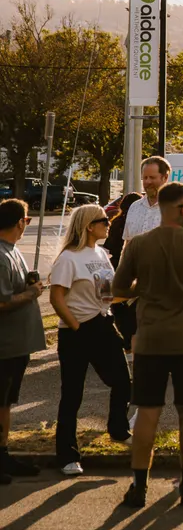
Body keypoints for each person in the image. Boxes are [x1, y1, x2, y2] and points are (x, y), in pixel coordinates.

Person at [111, 182, 183, 507]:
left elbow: (119, 287)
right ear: (181, 208)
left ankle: (139, 486)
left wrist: (143, 289)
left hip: (150, 339)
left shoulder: (138, 244)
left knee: (147, 412)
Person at [49, 204, 130, 476]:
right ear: (89, 226)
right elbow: (56, 297)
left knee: (123, 381)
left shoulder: (101, 254)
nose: (109, 224)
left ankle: (118, 430)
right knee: (72, 395)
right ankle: (67, 456)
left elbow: (107, 295)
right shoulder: (68, 258)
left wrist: (138, 290)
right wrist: (75, 326)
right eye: (104, 220)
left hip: (103, 324)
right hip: (77, 331)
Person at [0, 200, 45, 484]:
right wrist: (31, 293)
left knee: (6, 402)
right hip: (4, 346)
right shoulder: (1, 255)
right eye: (27, 221)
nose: (26, 225)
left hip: (16, 344)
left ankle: (3, 453)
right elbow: (2, 302)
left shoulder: (12, 250)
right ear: (19, 222)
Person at [118, 157, 171, 354]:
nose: (148, 182)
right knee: (136, 336)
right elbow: (127, 244)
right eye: (145, 178)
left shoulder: (178, 207)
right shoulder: (135, 207)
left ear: (165, 177)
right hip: (138, 286)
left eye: (152, 178)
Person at [104, 191, 142, 268]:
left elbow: (109, 244)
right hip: (131, 261)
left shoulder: (117, 221)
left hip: (115, 260)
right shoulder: (137, 222)